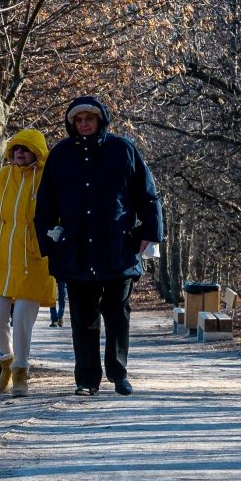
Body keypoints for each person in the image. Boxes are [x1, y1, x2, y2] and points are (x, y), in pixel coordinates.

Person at [34, 94, 162, 395]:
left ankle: (118, 373)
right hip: (75, 249)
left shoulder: (123, 150)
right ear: (71, 124)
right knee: (82, 316)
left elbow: (148, 195)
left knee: (117, 312)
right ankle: (86, 380)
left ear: (100, 120)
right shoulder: (60, 155)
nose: (83, 124)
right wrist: (48, 242)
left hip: (118, 246)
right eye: (78, 120)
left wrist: (151, 233)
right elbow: (45, 204)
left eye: (88, 119)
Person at [0, 128, 56, 396]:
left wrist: (57, 232)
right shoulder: (4, 176)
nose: (19, 153)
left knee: (22, 319)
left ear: (37, 152)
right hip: (2, 256)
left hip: (35, 257)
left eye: (25, 149)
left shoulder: (48, 178)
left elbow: (60, 210)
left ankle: (21, 371)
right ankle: (6, 360)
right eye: (16, 148)